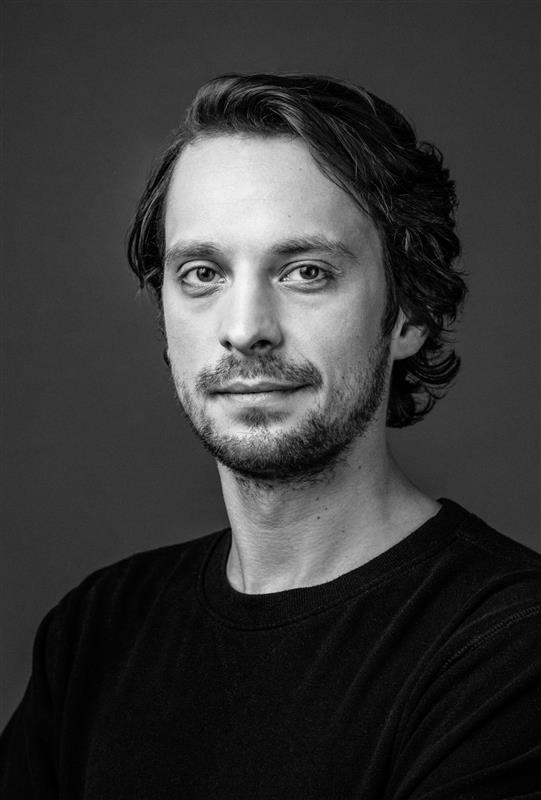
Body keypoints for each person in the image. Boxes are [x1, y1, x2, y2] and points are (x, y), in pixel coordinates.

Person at [1, 72, 540, 799]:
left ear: (409, 313)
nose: (245, 328)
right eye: (202, 273)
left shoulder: (509, 647)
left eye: (305, 272)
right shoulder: (95, 632)